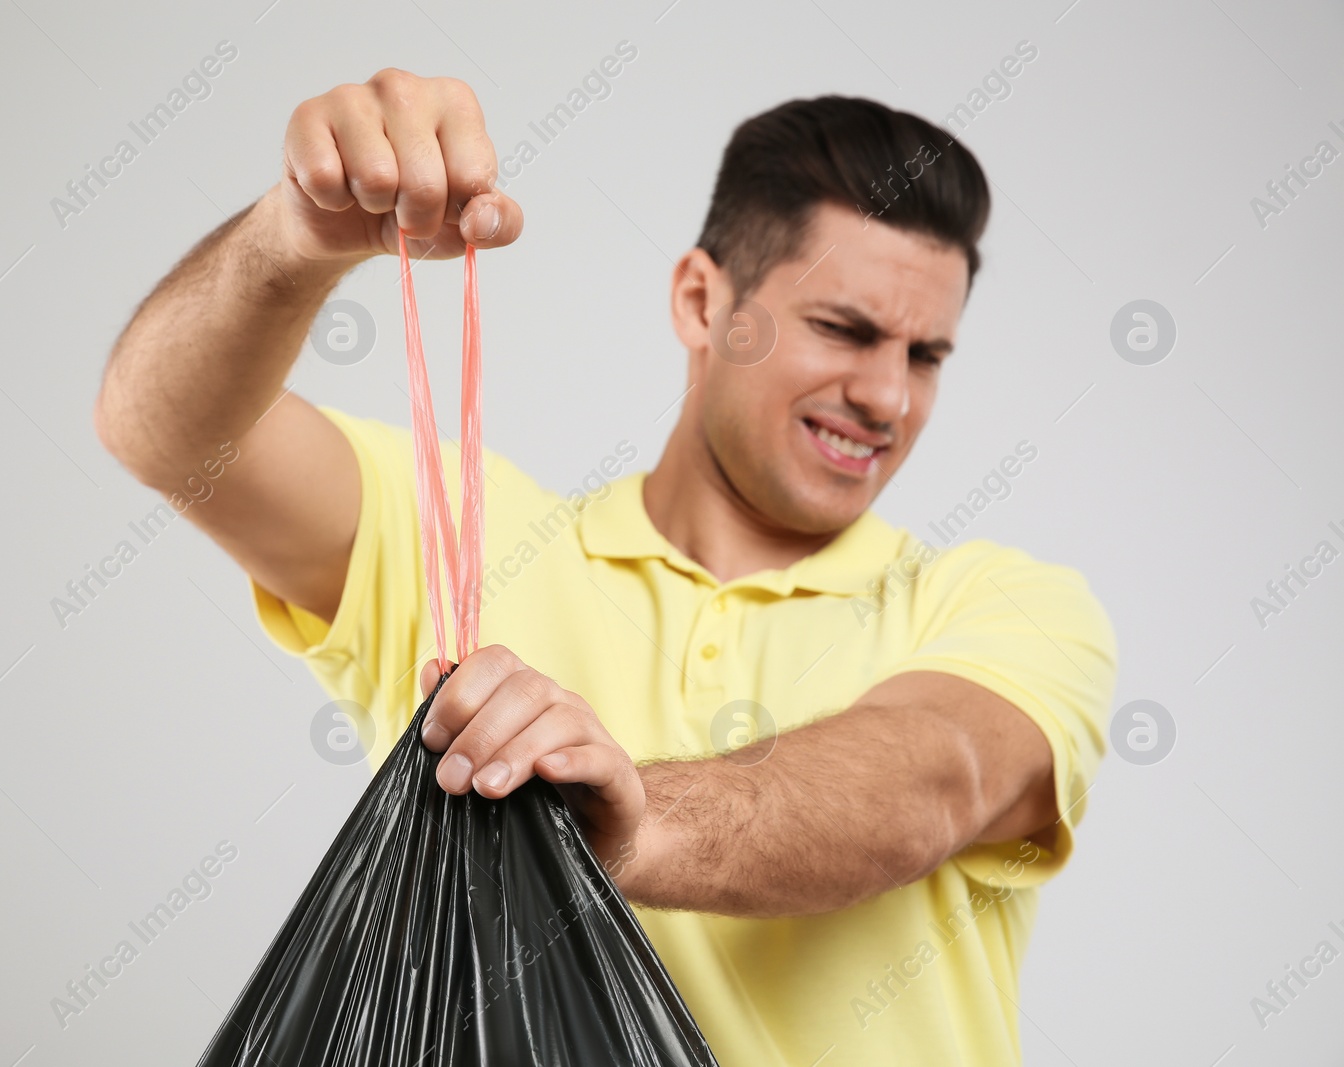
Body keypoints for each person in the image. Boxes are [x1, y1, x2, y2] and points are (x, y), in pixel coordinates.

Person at [94, 69, 1116, 1067]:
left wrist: (639, 822)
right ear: (700, 300)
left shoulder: (1005, 604)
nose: (887, 396)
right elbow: (168, 434)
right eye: (842, 329)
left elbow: (929, 779)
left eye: (925, 354)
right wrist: (293, 237)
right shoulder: (464, 539)